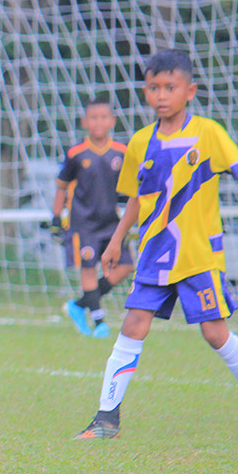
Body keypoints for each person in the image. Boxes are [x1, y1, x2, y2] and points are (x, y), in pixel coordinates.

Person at [75, 49, 238, 439]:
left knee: (215, 334)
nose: (161, 95)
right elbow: (135, 199)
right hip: (155, 253)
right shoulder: (140, 142)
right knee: (133, 325)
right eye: (153, 87)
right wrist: (116, 241)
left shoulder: (209, 133)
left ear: (190, 90)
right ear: (145, 91)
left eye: (170, 87)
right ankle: (106, 420)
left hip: (198, 255)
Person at [50, 98, 133, 338]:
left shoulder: (122, 152)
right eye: (93, 118)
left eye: (103, 117)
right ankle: (99, 323)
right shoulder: (76, 153)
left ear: (112, 121)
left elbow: (130, 189)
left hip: (111, 223)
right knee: (88, 268)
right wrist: (56, 217)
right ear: (85, 122)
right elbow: (62, 187)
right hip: (83, 224)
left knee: (126, 265)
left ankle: (80, 305)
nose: (98, 122)